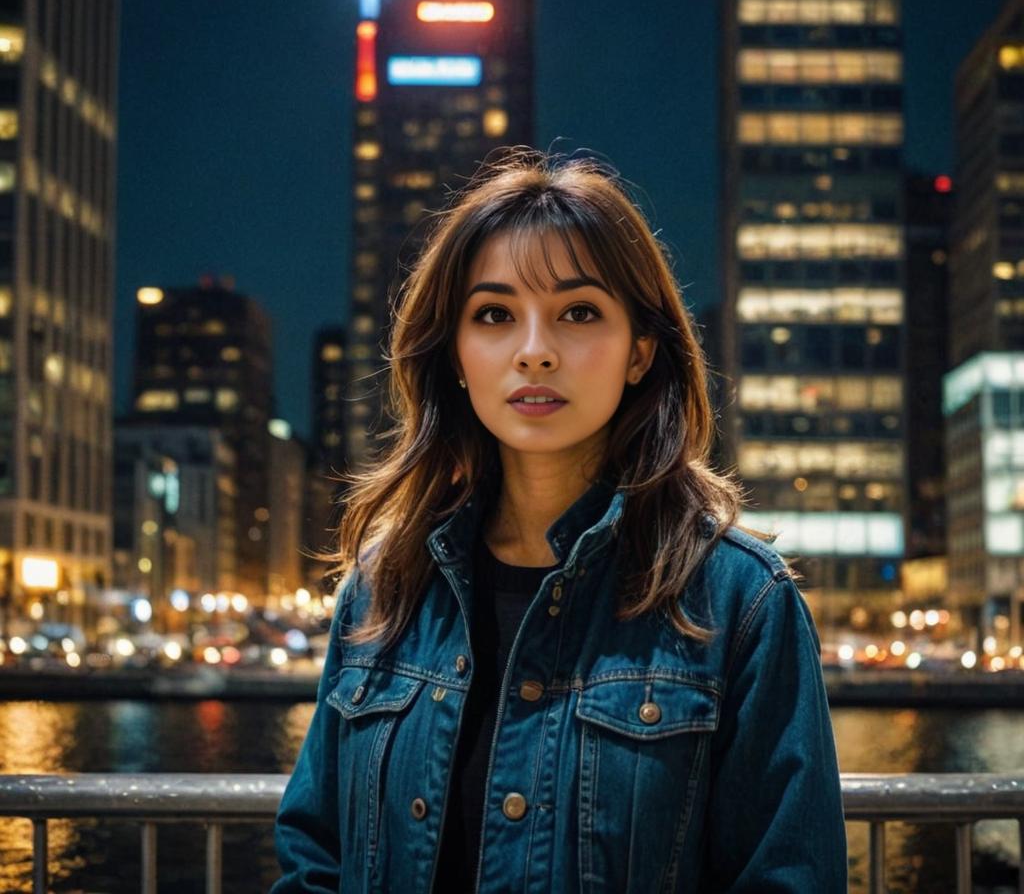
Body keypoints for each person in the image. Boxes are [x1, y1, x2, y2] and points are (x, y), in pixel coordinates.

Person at [271, 150, 847, 893]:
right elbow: (316, 852)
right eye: (494, 315)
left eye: (578, 312)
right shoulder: (385, 586)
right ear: (454, 352)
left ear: (641, 349)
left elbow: (787, 878)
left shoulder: (741, 602)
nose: (534, 352)